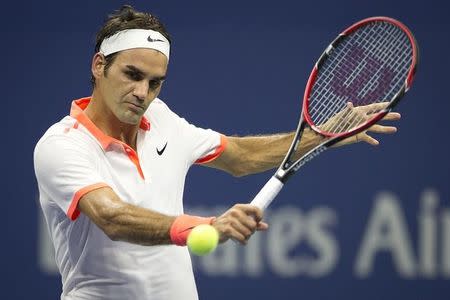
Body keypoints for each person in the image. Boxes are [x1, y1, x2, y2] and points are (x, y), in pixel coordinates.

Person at [33, 5, 401, 300]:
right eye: (132, 74)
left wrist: (321, 136)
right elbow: (112, 217)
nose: (143, 93)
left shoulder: (159, 118)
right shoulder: (62, 145)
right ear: (100, 65)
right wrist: (207, 227)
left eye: (155, 82)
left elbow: (238, 156)